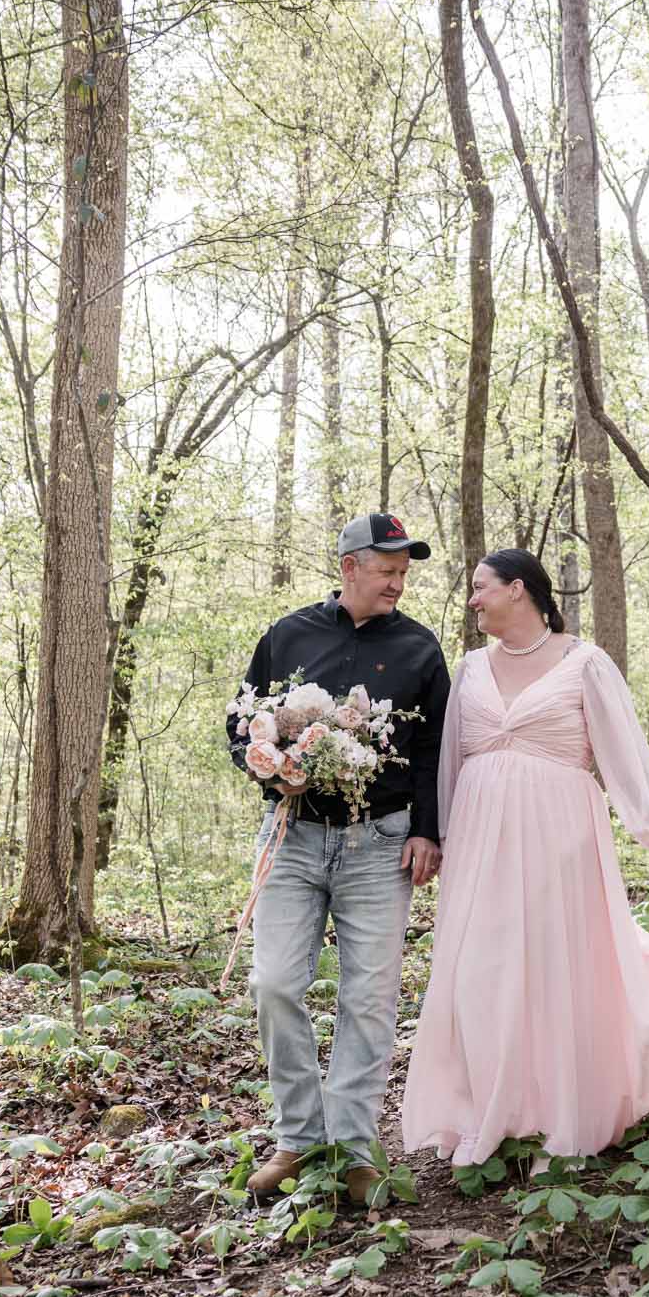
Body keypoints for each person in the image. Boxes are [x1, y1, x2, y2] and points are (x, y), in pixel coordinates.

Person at [403, 548, 649, 1168]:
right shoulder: (471, 669)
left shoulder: (584, 663)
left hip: (560, 835)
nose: (473, 599)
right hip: (482, 841)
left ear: (518, 590)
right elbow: (450, 768)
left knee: (552, 968)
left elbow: (625, 760)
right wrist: (443, 841)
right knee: (482, 974)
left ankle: (557, 1115)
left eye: (481, 588)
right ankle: (491, 1113)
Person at [230, 514, 450, 1203]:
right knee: (272, 984)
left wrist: (428, 830)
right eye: (387, 568)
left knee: (369, 998)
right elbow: (242, 723)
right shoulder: (288, 634)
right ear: (350, 565)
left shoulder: (420, 648)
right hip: (294, 837)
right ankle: (298, 1138)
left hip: (381, 844)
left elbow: (435, 751)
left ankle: (355, 1148)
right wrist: (271, 767)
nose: (398, 581)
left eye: (404, 570)